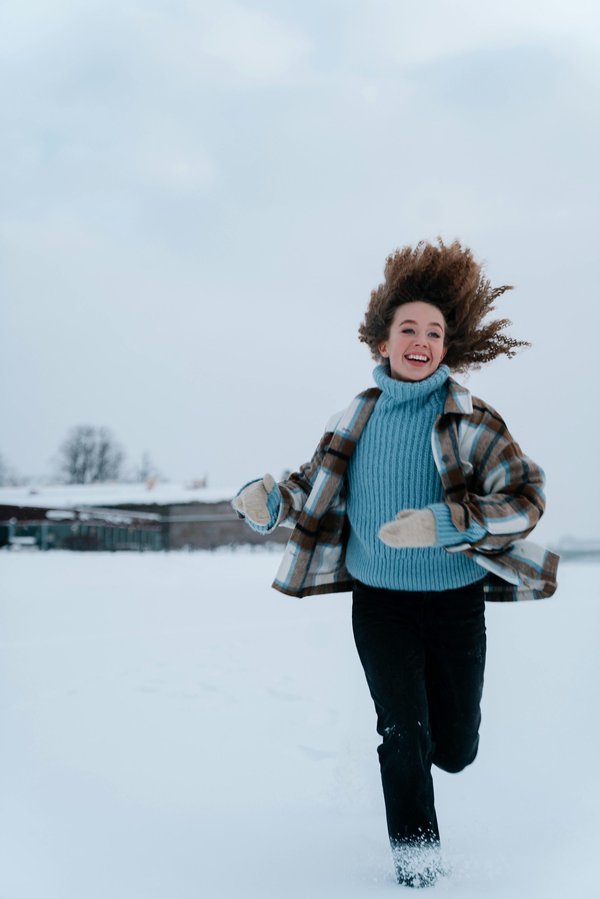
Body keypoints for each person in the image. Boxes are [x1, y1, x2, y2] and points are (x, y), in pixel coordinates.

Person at [232, 239, 559, 888]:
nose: (420, 339)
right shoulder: (354, 417)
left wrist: (441, 524)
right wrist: (268, 502)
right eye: (407, 327)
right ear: (381, 341)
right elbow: (309, 486)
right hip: (379, 602)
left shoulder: (470, 419)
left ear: (447, 346)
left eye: (433, 331)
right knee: (401, 733)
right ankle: (417, 864)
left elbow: (527, 499)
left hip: (455, 600)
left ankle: (444, 751)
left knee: (456, 748)